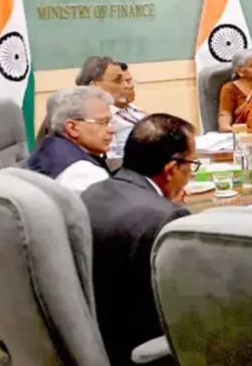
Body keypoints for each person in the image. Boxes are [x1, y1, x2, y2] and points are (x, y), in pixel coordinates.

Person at [80, 114, 195, 366]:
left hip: (94, 336)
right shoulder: (166, 218)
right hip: (143, 349)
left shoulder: (93, 192)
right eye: (190, 165)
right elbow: (188, 303)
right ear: (171, 169)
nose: (190, 175)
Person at [26, 86, 113, 192]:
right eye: (102, 122)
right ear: (72, 127)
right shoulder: (84, 174)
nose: (111, 130)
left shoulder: (50, 145)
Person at [109, 63, 148, 158]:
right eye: (121, 81)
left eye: (130, 81)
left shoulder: (133, 110)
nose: (130, 86)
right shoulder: (107, 117)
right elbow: (112, 159)